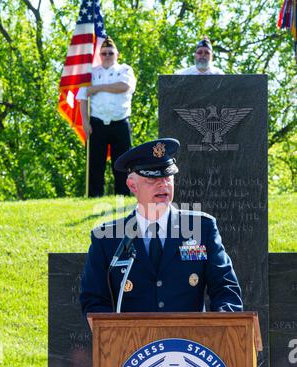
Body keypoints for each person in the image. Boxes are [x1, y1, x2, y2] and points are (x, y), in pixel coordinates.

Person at [80, 138, 243, 316]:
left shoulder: (202, 228)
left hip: (190, 340)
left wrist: (224, 329)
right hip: (132, 342)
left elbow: (226, 289)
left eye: (167, 177)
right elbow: (94, 300)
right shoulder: (107, 237)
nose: (162, 184)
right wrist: (113, 337)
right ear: (132, 185)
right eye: (152, 179)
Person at [76, 36, 136, 197]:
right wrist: (85, 122)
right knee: (95, 162)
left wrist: (97, 88)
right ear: (100, 55)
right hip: (97, 123)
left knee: (122, 161)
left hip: (120, 122)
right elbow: (82, 98)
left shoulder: (125, 70)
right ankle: (94, 195)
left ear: (117, 54)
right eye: (104, 53)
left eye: (110, 53)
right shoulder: (91, 73)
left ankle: (122, 194)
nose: (107, 56)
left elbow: (124, 86)